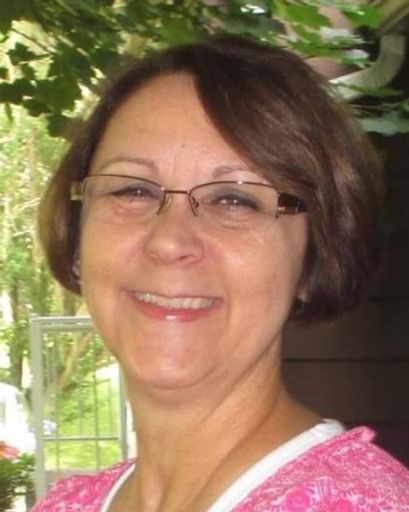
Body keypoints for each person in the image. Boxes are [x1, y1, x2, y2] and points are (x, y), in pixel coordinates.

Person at [33, 35, 409, 512]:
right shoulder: (70, 504)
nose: (169, 241)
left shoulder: (350, 503)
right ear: (77, 232)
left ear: (315, 256)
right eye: (133, 190)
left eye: (235, 200)